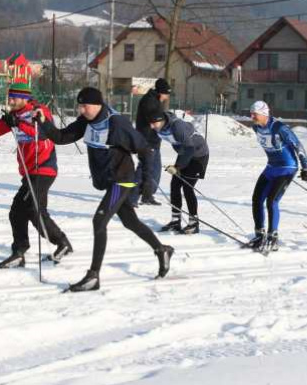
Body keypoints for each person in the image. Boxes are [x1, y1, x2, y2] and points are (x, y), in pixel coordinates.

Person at [35, 87, 174, 292]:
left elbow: (145, 149)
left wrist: (146, 185)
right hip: (109, 179)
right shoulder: (87, 121)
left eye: (85, 106)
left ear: (98, 104)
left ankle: (93, 276)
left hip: (123, 180)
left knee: (99, 221)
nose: (81, 110)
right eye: (79, 106)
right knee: (130, 221)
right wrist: (44, 123)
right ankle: (161, 249)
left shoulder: (116, 123)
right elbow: (62, 137)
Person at [0, 80, 73, 268]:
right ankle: (20, 252)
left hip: (44, 168)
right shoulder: (15, 114)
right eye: (10, 97)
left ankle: (59, 243)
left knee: (32, 210)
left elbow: (41, 133)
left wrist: (19, 124)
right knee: (17, 213)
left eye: (14, 98)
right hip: (30, 171)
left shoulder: (38, 111)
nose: (11, 101)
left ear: (24, 98)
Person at [246, 101, 307, 253]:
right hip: (271, 167)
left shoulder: (279, 127)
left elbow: (297, 145)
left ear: (264, 113)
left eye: (254, 113)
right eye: (251, 113)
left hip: (287, 167)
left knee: (272, 201)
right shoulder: (256, 127)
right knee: (256, 199)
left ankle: (272, 236)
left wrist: (305, 167)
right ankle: (259, 235)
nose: (252, 116)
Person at [149, 110, 210, 234]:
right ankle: (175, 221)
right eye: (150, 123)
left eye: (154, 123)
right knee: (175, 185)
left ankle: (194, 223)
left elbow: (190, 148)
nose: (152, 126)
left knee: (188, 187)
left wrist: (178, 167)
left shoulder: (177, 126)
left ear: (162, 120)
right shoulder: (158, 127)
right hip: (185, 154)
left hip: (198, 154)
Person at [131, 78, 172, 206]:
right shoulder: (149, 101)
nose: (167, 96)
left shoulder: (155, 101)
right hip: (146, 140)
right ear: (160, 92)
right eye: (166, 93)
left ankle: (147, 196)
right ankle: (132, 197)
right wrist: (167, 120)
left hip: (154, 140)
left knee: (154, 169)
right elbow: (155, 119)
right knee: (144, 168)